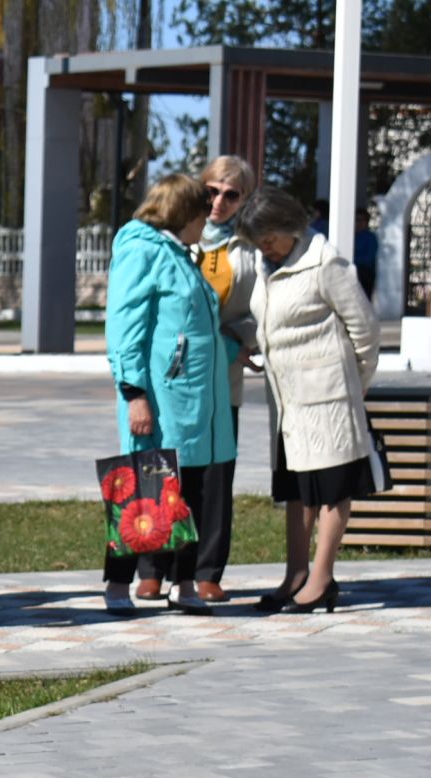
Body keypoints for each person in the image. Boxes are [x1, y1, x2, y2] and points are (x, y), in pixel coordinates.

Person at [239, 187, 382, 614]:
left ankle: (321, 580)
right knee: (296, 490)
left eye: (269, 238)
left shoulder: (324, 262)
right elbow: (269, 320)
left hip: (328, 399)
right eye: (258, 241)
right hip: (287, 402)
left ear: (290, 227)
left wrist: (353, 385)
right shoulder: (265, 265)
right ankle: (296, 574)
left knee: (332, 489)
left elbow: (366, 329)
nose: (265, 248)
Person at [102, 173, 232, 615]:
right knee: (143, 487)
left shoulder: (178, 254)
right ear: (186, 215)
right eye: (202, 215)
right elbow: (125, 329)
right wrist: (134, 391)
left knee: (189, 489)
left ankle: (185, 582)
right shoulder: (142, 252)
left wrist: (235, 348)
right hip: (158, 397)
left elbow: (191, 329)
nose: (206, 223)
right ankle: (119, 586)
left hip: (192, 398)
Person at [190, 155, 262, 603]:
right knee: (169, 469)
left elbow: (261, 311)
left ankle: (207, 571)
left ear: (244, 199)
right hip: (175, 378)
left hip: (225, 377)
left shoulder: (250, 250)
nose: (219, 201)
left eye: (231, 194)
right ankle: (154, 565)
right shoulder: (178, 241)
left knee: (217, 475)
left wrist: (238, 345)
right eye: (212, 190)